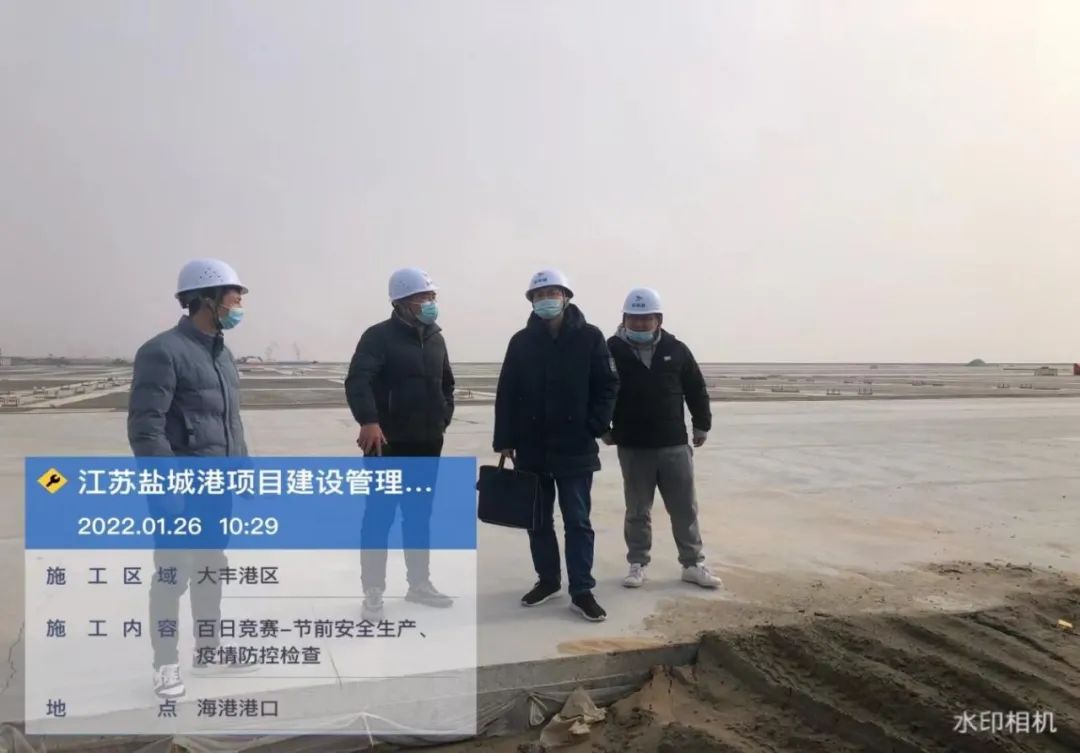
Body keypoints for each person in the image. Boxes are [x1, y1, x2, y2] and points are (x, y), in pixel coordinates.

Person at [128, 258, 253, 699]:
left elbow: (230, 421)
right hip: (181, 490)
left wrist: (242, 470)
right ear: (207, 298)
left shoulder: (222, 354)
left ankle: (209, 650)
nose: (239, 305)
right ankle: (165, 664)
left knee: (210, 568)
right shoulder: (162, 351)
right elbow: (146, 428)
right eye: (234, 296)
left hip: (217, 487)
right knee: (172, 575)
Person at [493, 269, 619, 622]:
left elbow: (608, 384)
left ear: (566, 297)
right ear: (531, 301)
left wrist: (594, 425)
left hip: (575, 446)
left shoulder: (590, 337)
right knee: (537, 520)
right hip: (532, 447)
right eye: (539, 294)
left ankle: (582, 590)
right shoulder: (521, 342)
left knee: (577, 520)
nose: (546, 299)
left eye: (552, 293)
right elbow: (506, 391)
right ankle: (548, 580)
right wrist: (504, 439)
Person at [345, 267, 455, 622]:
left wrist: (442, 417)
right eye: (424, 297)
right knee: (379, 517)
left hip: (427, 443)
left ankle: (419, 583)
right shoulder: (378, 337)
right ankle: (373, 590)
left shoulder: (436, 338)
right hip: (386, 445)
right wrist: (369, 420)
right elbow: (358, 380)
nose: (431, 303)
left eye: (433, 297)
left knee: (419, 516)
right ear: (402, 302)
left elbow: (447, 384)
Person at [605, 287, 721, 590]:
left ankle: (693, 564)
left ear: (658, 319)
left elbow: (696, 389)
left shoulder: (676, 349)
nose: (640, 324)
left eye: (647, 318)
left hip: (673, 444)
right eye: (634, 318)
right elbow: (597, 391)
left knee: (684, 508)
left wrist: (701, 425)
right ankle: (638, 563)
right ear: (624, 319)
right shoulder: (609, 350)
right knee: (637, 511)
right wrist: (602, 428)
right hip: (633, 446)